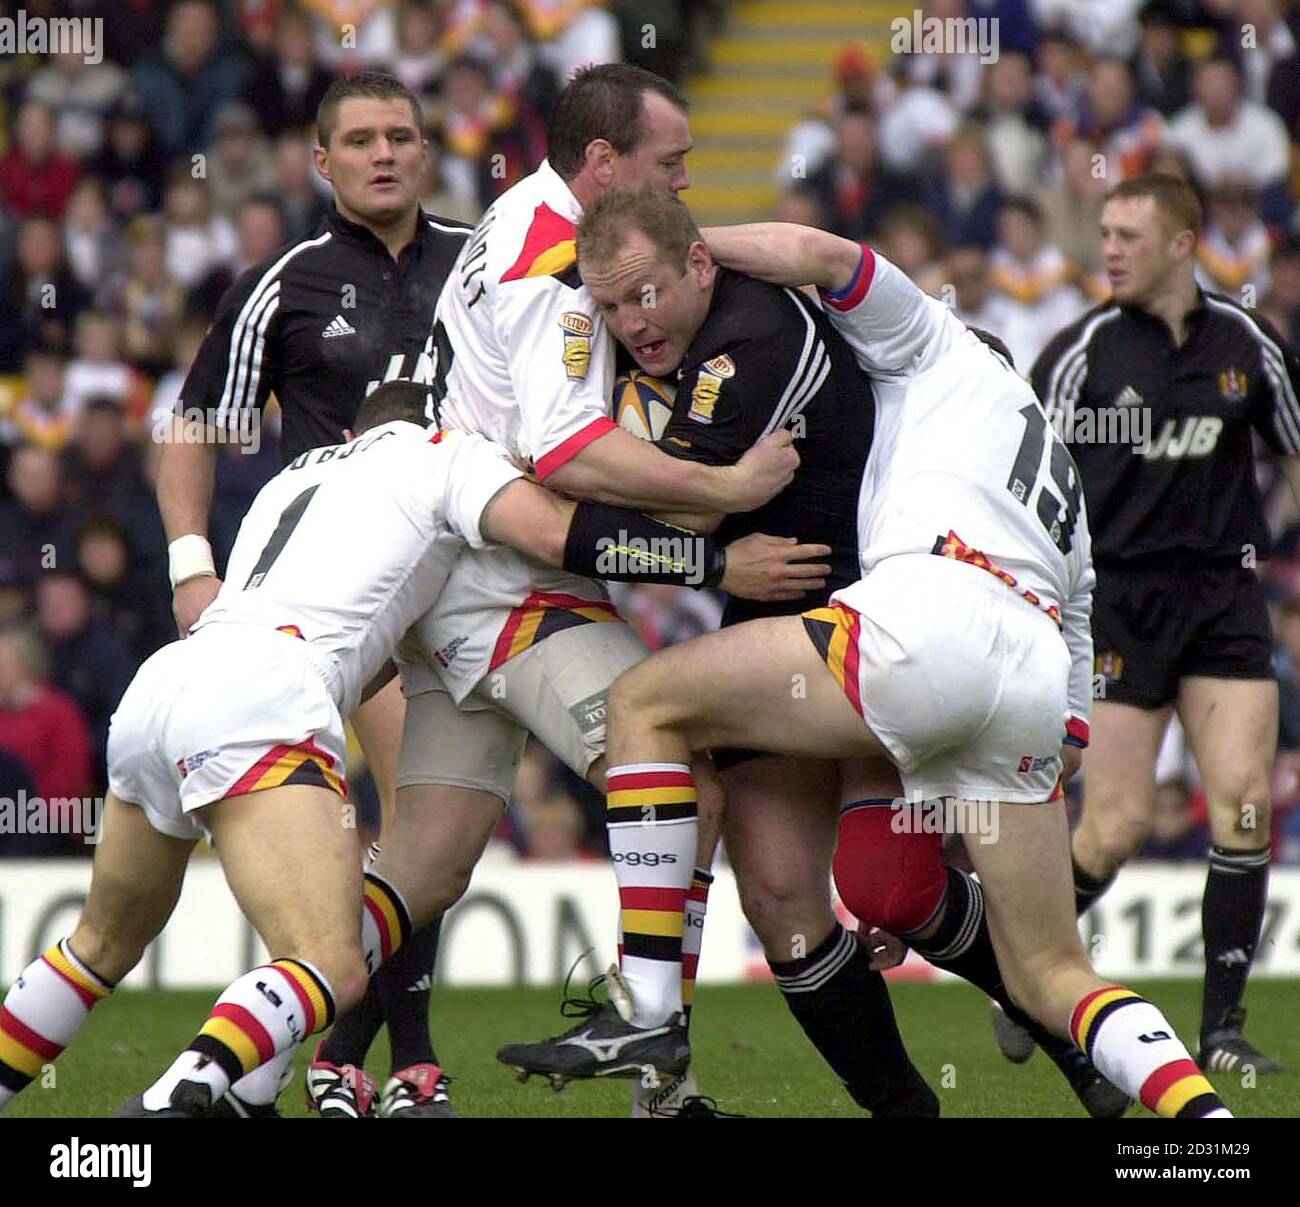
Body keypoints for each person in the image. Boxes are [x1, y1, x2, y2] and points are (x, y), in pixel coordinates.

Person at [499, 219, 1234, 1120]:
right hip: (1029, 668)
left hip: (918, 621)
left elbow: (827, 257)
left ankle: (646, 1013)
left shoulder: (934, 351)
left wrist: (686, 242)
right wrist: (1011, 771)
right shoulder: (1055, 478)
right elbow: (1072, 687)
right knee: (1015, 950)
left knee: (643, 701)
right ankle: (1205, 1125)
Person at [0, 380, 803, 1117]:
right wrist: (718, 556)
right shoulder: (449, 458)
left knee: (99, 943)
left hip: (164, 685)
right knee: (331, 964)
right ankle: (184, 1095)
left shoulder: (298, 475)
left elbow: (372, 623)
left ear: (353, 430)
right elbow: (559, 534)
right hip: (261, 697)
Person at [317, 63, 817, 1121]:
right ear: (604, 163)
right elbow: (566, 446)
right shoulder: (552, 263)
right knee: (681, 773)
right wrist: (720, 491)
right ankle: (662, 1086)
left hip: (457, 584)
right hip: (508, 587)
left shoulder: (519, 219)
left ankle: (233, 1057)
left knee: (423, 872)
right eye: (668, 165)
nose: (681, 186)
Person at [153, 71, 475, 1119]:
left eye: (403, 136)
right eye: (361, 140)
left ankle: (344, 1055)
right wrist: (189, 565)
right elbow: (192, 428)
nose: (385, 153)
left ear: (426, 153)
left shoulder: (485, 265)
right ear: (322, 164)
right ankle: (376, 1060)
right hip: (338, 600)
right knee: (374, 835)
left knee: (428, 843)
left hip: (470, 584)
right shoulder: (285, 281)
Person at [1014, 172, 1300, 1076]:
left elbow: (1293, 444)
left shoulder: (1247, 344)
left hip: (1224, 598)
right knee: (1117, 824)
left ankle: (1221, 1028)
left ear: (1183, 244)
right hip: (1118, 608)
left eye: (1128, 235)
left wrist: (1279, 535)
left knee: (1245, 803)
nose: (1109, 249)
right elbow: (1025, 485)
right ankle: (1020, 974)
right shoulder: (1078, 353)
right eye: (1103, 232)